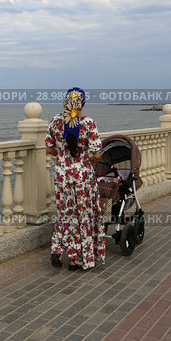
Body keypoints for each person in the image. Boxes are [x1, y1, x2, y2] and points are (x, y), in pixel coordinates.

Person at [45, 87, 106, 271]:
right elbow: (96, 156)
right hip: (82, 178)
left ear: (65, 103)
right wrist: (82, 156)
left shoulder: (56, 121)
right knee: (83, 217)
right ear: (83, 105)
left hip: (62, 176)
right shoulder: (88, 123)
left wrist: (63, 155)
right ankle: (76, 260)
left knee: (66, 215)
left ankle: (58, 250)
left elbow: (49, 148)